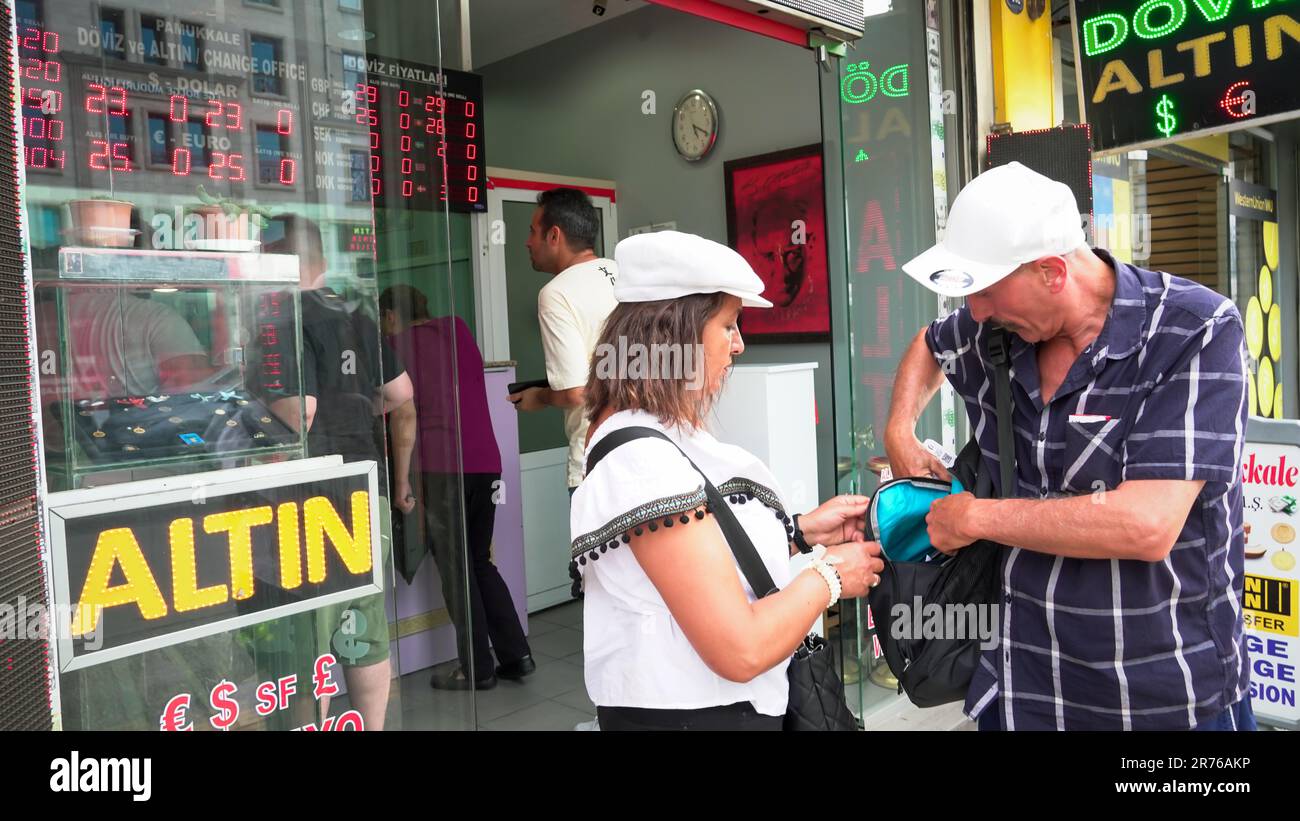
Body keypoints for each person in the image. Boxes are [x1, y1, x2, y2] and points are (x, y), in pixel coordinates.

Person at [886, 161, 1253, 731]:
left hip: (1156, 694)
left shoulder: (1192, 331)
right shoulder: (993, 329)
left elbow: (1144, 525)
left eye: (985, 290)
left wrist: (977, 517)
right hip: (1021, 685)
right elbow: (929, 345)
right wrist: (899, 430)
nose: (976, 311)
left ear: (1052, 272)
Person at [571, 230, 883, 731]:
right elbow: (740, 649)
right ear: (676, 334)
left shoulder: (658, 434)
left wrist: (800, 532)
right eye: (729, 324)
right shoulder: (640, 462)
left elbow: (702, 558)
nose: (738, 344)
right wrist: (828, 577)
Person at [255, 215, 417, 731]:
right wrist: (357, 414)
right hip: (361, 489)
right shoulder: (357, 316)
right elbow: (400, 396)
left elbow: (298, 410)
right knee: (362, 627)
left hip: (308, 499)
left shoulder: (279, 320)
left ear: (275, 260)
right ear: (321, 260)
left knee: (308, 633)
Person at [379, 284, 534, 690]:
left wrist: (401, 480)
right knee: (479, 561)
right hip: (486, 462)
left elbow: (402, 412)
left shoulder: (394, 345)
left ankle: (477, 669)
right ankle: (516, 655)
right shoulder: (459, 329)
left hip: (443, 468)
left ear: (391, 316)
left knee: (456, 570)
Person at [509, 187, 617, 493]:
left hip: (596, 459)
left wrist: (539, 398)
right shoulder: (624, 275)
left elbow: (576, 394)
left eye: (533, 231)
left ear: (554, 236)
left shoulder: (557, 293)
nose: (527, 242)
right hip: (648, 446)